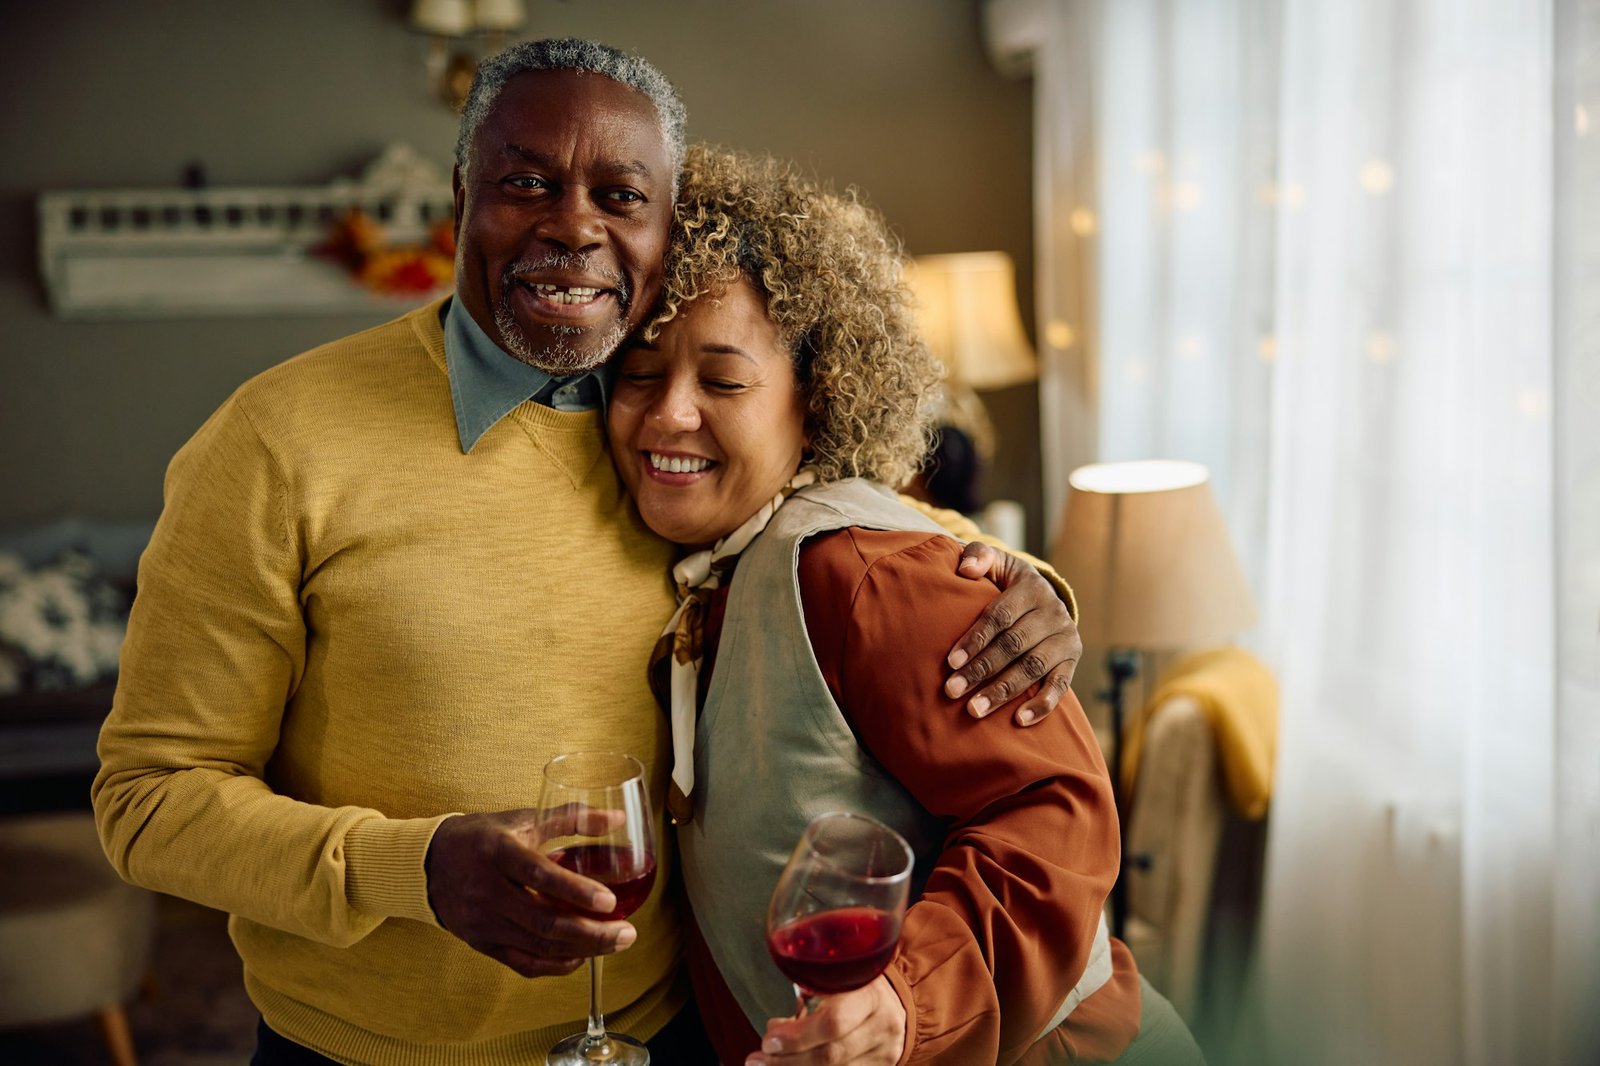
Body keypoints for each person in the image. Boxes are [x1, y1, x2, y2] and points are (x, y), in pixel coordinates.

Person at [92, 38, 1084, 1064]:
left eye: (620, 194)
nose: (573, 224)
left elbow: (846, 520)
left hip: (672, 1036)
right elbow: (148, 799)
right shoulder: (276, 439)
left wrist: (1029, 586)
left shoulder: (666, 437)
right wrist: (413, 867)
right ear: (460, 194)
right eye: (526, 181)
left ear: (662, 229)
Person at [607, 145, 1206, 1065]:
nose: (667, 414)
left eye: (724, 380)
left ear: (820, 399)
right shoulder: (717, 567)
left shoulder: (854, 571)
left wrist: (903, 997)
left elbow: (1055, 812)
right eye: (641, 372)